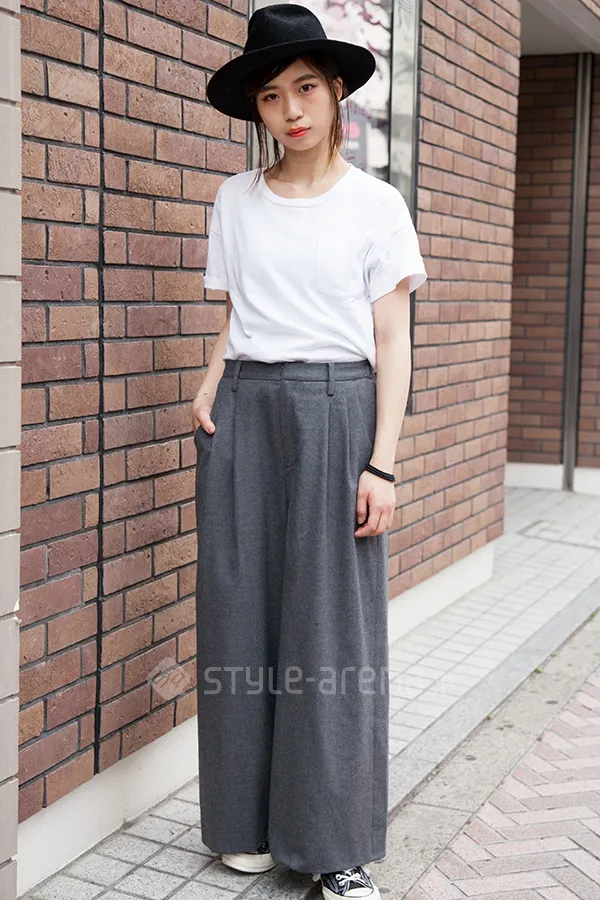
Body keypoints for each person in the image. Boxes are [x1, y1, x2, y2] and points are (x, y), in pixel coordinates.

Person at [191, 5, 427, 899]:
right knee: (238, 613)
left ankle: (334, 844)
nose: (289, 110)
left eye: (304, 89)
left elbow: (393, 341)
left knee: (330, 632)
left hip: (338, 409)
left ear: (335, 95)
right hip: (244, 410)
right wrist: (211, 378)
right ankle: (244, 822)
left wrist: (383, 462)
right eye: (269, 95)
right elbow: (236, 312)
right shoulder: (234, 200)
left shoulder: (376, 204)